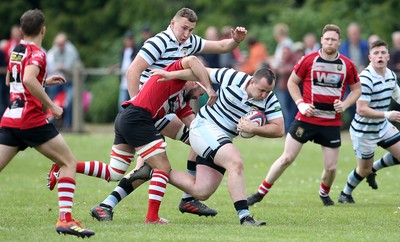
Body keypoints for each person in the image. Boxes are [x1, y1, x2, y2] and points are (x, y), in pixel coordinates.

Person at [63, 7, 246, 221]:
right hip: (149, 111)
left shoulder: (189, 44)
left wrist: (235, 40)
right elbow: (133, 71)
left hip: (166, 106)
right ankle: (173, 205)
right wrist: (137, 104)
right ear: (172, 23)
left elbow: (223, 46)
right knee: (172, 157)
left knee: (192, 138)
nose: (186, 33)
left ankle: (107, 204)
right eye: (183, 28)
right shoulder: (158, 42)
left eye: (191, 29)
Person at [68, 56, 215, 223]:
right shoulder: (175, 77)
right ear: (196, 82)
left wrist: (218, 141)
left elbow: (195, 129)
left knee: (115, 172)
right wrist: (209, 87)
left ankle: (67, 168)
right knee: (162, 167)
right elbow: (193, 60)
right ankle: (153, 217)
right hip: (138, 117)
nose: (198, 97)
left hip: (128, 117)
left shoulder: (182, 103)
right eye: (200, 93)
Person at [135, 65, 284, 226]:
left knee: (202, 190)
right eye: (262, 90)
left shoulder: (269, 99)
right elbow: (200, 71)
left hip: (221, 139)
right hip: (203, 127)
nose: (264, 95)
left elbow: (279, 129)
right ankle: (245, 217)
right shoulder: (233, 77)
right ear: (252, 81)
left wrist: (254, 128)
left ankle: (153, 170)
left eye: (268, 91)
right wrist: (171, 74)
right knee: (235, 161)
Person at [0, 9, 94, 237]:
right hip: (31, 120)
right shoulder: (38, 53)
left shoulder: (16, 50)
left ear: (22, 30)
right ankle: (65, 220)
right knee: (68, 162)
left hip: (11, 118)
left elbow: (10, 80)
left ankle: (66, 219)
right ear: (43, 29)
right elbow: (27, 79)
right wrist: (52, 105)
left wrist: (44, 80)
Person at [247, 24, 361, 207]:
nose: (330, 42)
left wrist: (346, 104)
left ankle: (324, 193)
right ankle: (260, 193)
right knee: (286, 158)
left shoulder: (347, 65)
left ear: (339, 42)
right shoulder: (308, 60)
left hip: (331, 122)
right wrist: (301, 104)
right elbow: (292, 83)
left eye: (334, 39)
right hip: (306, 119)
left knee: (331, 168)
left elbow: (357, 90)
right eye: (327, 39)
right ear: (321, 40)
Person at [337, 40, 400, 203]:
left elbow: (398, 96)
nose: (380, 56)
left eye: (382, 53)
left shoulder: (391, 75)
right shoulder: (365, 78)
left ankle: (374, 168)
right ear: (370, 57)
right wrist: (388, 115)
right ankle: (345, 194)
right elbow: (361, 109)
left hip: (382, 127)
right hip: (364, 132)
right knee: (363, 169)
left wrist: (387, 117)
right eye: (376, 53)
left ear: (388, 56)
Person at [46, 32, 80, 130]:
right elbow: (57, 64)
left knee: (69, 103)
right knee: (53, 99)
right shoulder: (56, 49)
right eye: (58, 44)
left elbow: (67, 67)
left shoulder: (71, 51)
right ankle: (55, 123)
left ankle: (68, 125)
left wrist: (61, 67)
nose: (59, 46)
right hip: (64, 79)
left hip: (73, 80)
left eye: (61, 44)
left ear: (65, 42)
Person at [117, 31, 138, 111]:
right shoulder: (123, 51)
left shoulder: (136, 51)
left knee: (133, 104)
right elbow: (123, 63)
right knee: (121, 105)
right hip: (123, 82)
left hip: (132, 81)